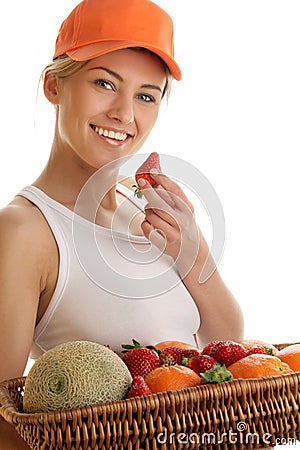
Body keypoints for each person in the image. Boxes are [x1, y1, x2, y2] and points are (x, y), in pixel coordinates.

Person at [0, 0, 244, 447]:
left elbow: (225, 347)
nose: (125, 114)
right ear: (54, 85)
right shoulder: (25, 232)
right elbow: (2, 419)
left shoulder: (146, 214)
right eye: (104, 83)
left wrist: (193, 254)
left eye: (146, 95)